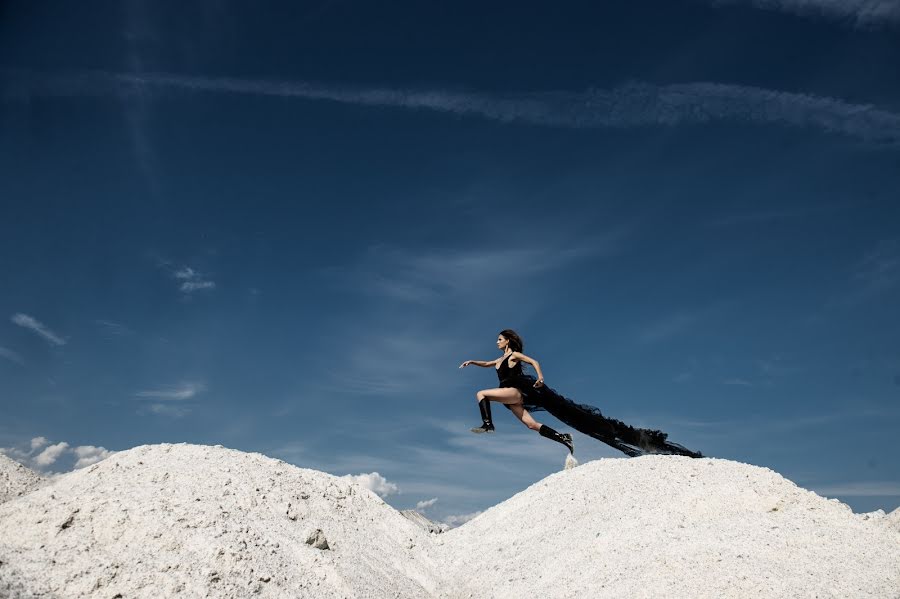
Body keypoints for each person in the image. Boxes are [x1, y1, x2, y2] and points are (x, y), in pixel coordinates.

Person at [459, 329, 703, 458]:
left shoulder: (514, 355)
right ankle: (565, 439)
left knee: (481, 393)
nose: (497, 342)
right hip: (509, 395)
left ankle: (488, 425)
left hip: (516, 391)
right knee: (531, 425)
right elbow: (487, 363)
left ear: (508, 341)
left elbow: (534, 361)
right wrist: (472, 361)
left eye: (499, 339)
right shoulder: (500, 359)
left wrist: (541, 377)